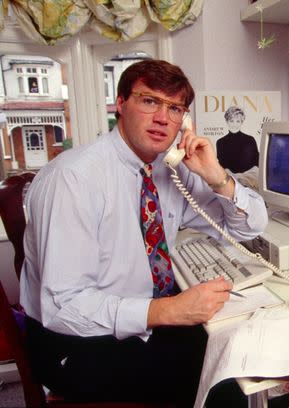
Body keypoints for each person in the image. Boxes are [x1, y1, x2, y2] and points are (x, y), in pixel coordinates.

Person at [19, 59, 269, 406]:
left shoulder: (166, 170)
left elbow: (247, 226)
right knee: (222, 379)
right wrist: (171, 311)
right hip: (76, 341)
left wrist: (216, 175)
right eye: (149, 101)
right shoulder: (73, 180)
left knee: (235, 349)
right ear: (120, 104)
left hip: (139, 320)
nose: (163, 118)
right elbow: (64, 307)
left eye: (175, 108)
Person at [216, 106, 260, 174]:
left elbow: (257, 163)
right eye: (231, 121)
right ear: (227, 121)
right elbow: (222, 166)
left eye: (238, 121)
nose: (234, 124)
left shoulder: (250, 140)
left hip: (249, 179)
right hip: (229, 179)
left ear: (242, 122)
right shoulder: (220, 142)